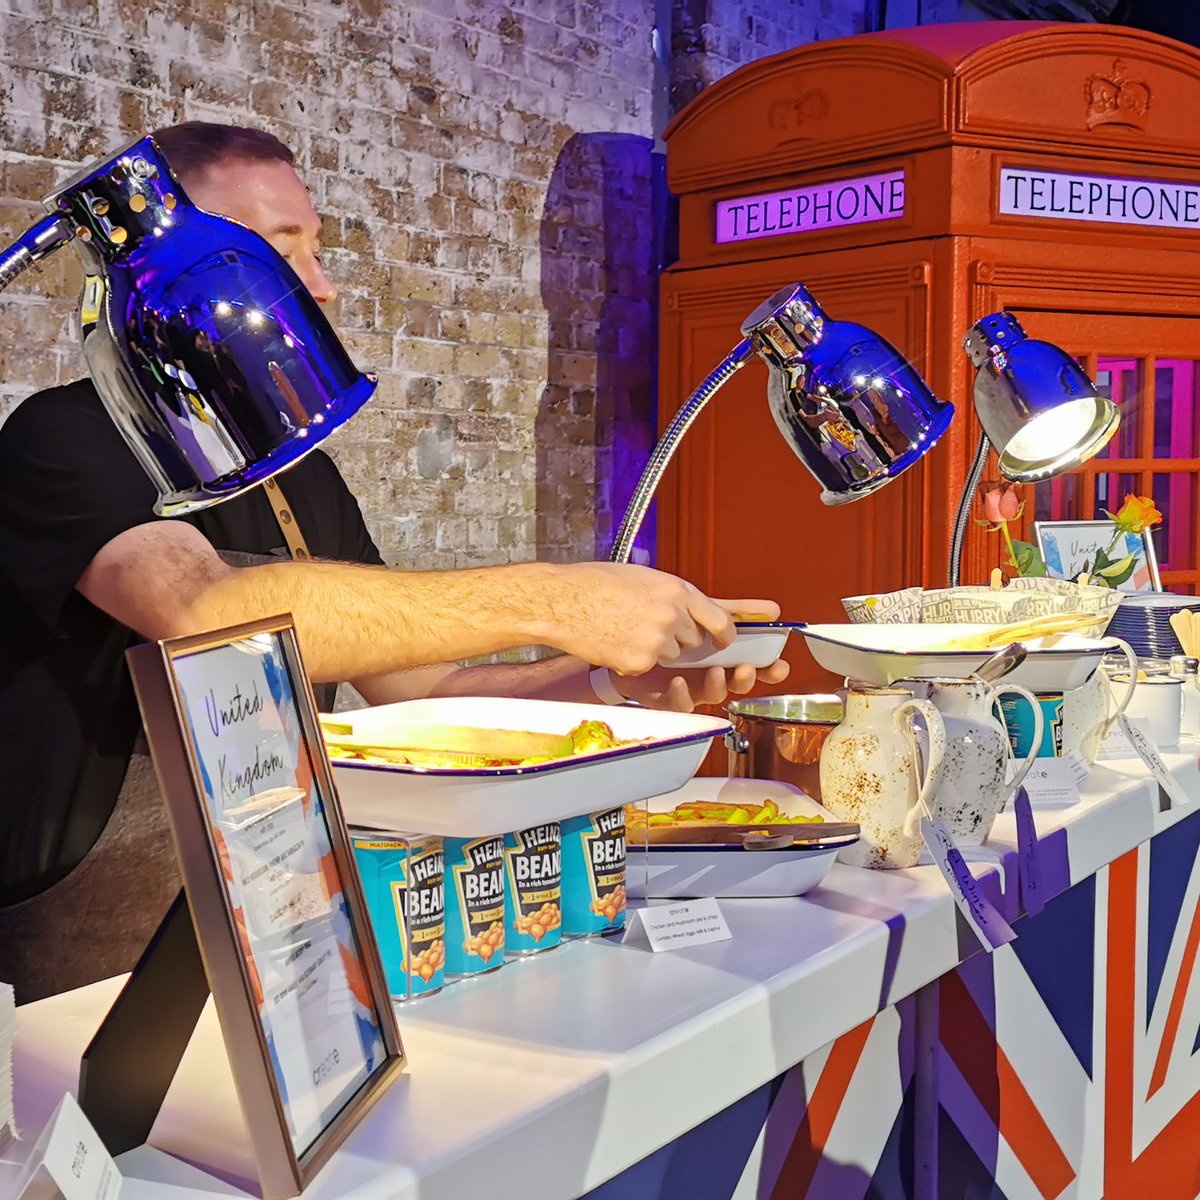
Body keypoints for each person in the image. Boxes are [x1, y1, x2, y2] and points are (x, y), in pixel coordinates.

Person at [0, 122, 787, 1000]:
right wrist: (548, 594)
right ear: (165, 271)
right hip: (87, 971)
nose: (324, 290)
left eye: (316, 252)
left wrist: (608, 683)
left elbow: (427, 696)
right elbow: (206, 615)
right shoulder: (63, 437)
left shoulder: (307, 480)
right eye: (274, 251)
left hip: (283, 942)